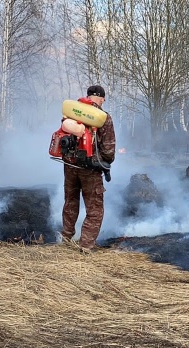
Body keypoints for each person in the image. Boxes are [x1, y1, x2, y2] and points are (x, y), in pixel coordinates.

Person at [61, 84, 116, 253]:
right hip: (90, 169)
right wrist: (106, 162)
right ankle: (85, 246)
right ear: (101, 98)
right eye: (103, 99)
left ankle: (65, 238)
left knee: (71, 202)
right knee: (94, 208)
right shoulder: (103, 117)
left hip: (70, 165)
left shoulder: (73, 111)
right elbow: (108, 150)